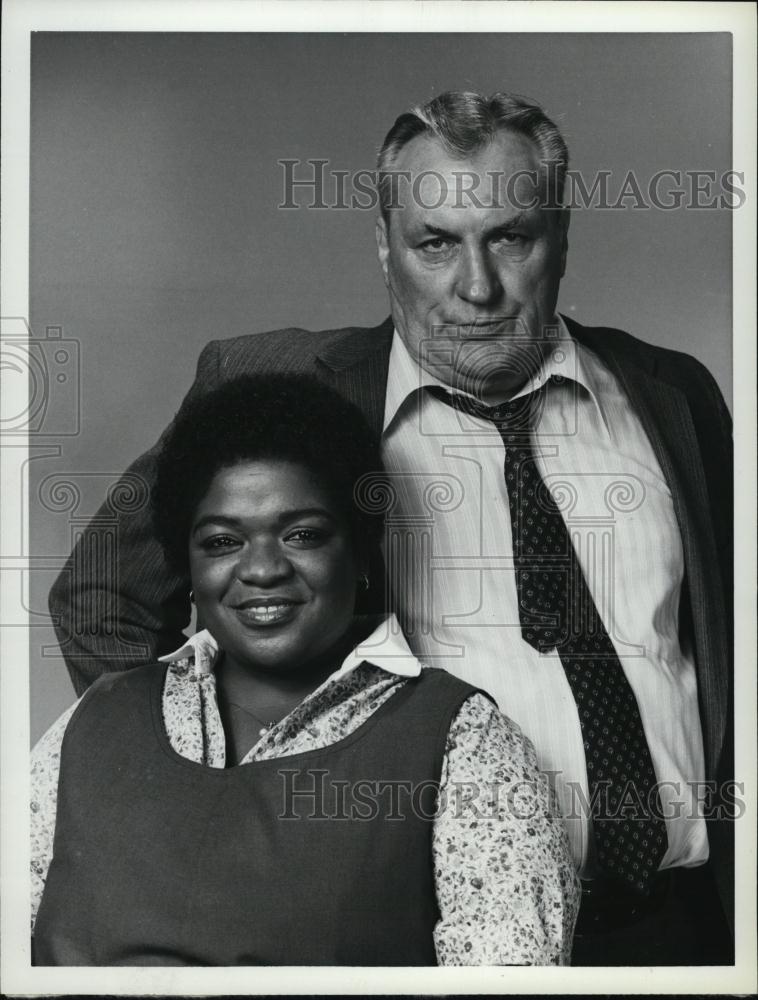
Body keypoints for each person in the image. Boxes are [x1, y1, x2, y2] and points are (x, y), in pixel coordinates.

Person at [48, 91, 734, 965]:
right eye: (436, 242)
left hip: (683, 930)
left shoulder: (671, 393)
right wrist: (217, 805)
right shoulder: (287, 385)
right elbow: (101, 595)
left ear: (560, 234)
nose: (477, 287)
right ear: (384, 246)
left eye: (511, 236)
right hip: (410, 940)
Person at [32, 374, 579, 967]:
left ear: (361, 548)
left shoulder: (464, 744)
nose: (262, 569)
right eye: (221, 541)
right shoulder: (93, 721)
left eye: (302, 534)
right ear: (184, 564)